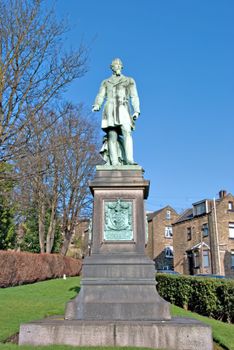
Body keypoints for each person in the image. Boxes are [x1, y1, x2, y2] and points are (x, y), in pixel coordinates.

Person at [92, 58, 140, 166]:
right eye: (115, 65)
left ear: (121, 67)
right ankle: (114, 162)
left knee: (127, 132)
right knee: (112, 135)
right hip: (110, 108)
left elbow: (134, 96)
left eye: (119, 65)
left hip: (123, 108)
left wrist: (136, 110)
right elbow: (100, 95)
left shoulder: (129, 80)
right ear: (111, 67)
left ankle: (129, 160)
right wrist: (97, 104)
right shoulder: (106, 82)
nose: (117, 66)